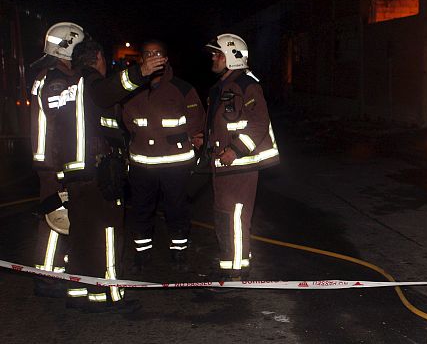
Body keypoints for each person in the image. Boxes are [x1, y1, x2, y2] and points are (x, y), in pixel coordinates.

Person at [63, 39, 166, 313]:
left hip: (75, 172)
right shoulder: (92, 81)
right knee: (109, 231)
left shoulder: (67, 85)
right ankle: (111, 294)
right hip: (99, 171)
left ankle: (78, 291)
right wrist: (139, 72)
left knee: (81, 234)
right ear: (97, 57)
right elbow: (107, 92)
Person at [200, 33, 279, 279]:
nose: (213, 58)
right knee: (226, 214)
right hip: (224, 165)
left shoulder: (247, 85)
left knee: (233, 215)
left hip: (240, 164)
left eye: (217, 54)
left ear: (232, 57)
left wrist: (236, 150)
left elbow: (258, 122)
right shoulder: (221, 87)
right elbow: (223, 123)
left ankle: (235, 269)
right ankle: (237, 260)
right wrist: (205, 139)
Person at [122, 40, 204, 274]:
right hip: (141, 165)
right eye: (147, 54)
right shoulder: (132, 91)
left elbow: (197, 122)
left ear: (166, 59)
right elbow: (126, 122)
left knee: (177, 210)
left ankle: (178, 255)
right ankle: (141, 256)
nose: (152, 57)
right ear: (141, 60)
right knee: (140, 211)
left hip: (175, 165)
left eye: (158, 53)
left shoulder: (183, 89)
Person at [28, 22, 84, 297]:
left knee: (58, 217)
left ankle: (51, 271)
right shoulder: (57, 80)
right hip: (55, 163)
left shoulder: (49, 75)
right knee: (55, 219)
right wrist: (61, 165)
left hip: (51, 161)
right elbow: (63, 124)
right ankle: (47, 275)